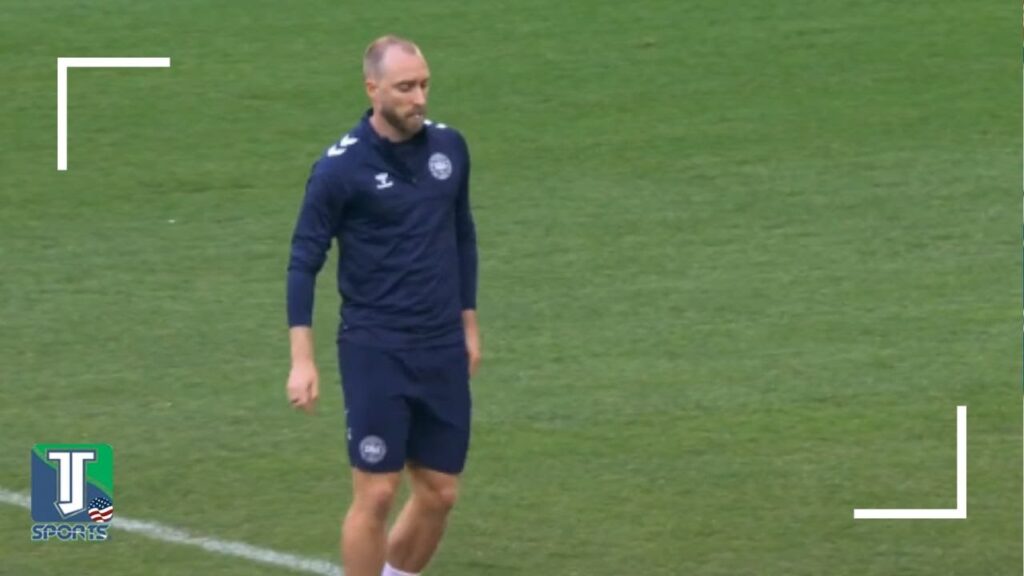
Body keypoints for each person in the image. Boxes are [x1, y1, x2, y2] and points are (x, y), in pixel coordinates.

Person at [284, 35, 480, 576]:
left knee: (440, 492)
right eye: (405, 88)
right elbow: (303, 261)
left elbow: (462, 235)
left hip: (440, 344)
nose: (420, 98)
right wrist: (302, 360)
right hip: (376, 347)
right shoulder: (339, 169)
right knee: (376, 493)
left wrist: (468, 322)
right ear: (372, 89)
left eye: (424, 85)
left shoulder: (450, 149)